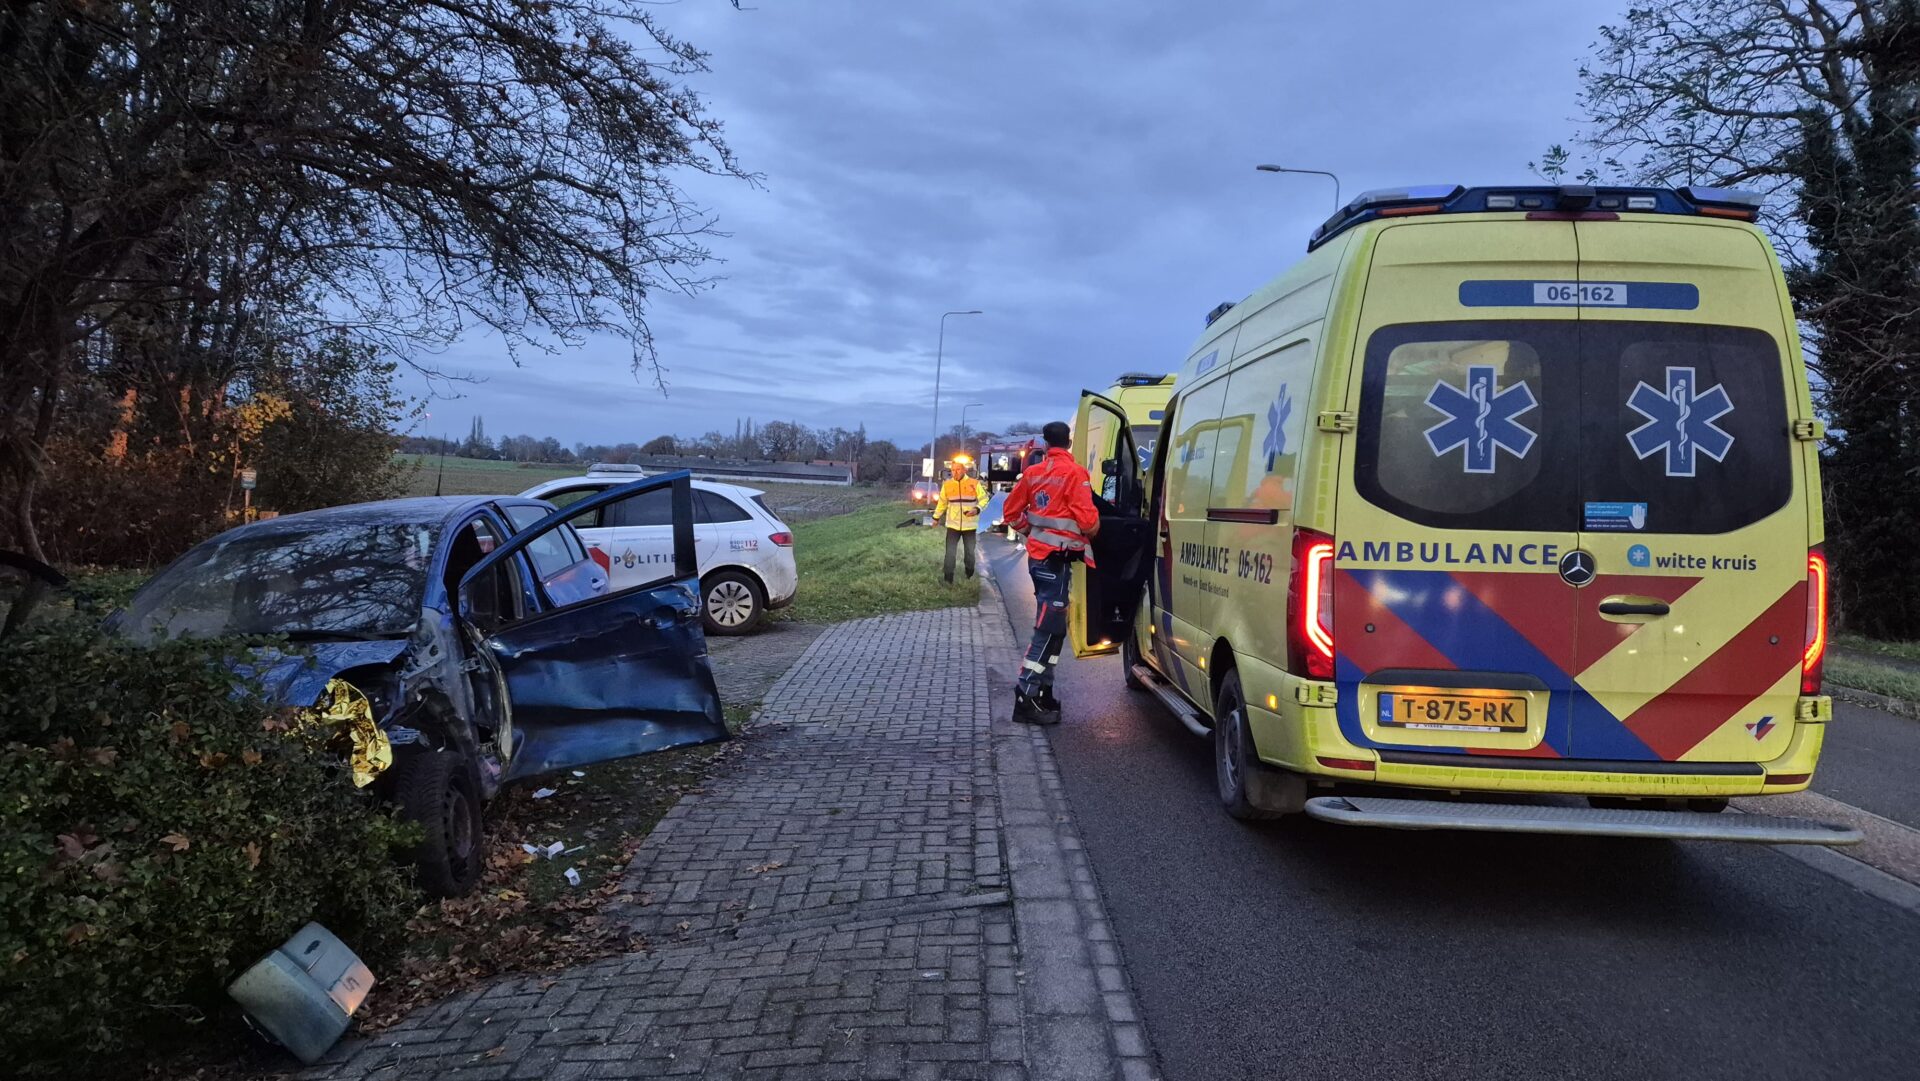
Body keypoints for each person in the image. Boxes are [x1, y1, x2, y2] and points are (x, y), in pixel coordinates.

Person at [1001, 421, 1101, 725]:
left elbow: (1010, 513)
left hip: (1039, 560)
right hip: (1056, 562)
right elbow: (1089, 522)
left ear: (1045, 444)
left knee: (1056, 629)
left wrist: (1032, 533)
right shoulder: (1075, 474)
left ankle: (1044, 691)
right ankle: (1025, 695)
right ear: (1068, 443)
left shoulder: (1032, 474)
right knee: (1048, 629)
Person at [933, 455, 985, 584]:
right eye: (953, 470)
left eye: (957, 469)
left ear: (964, 470)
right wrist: (936, 517)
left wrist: (977, 509)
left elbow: (984, 499)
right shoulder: (948, 485)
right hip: (953, 525)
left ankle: (969, 573)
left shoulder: (974, 483)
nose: (954, 472)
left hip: (970, 525)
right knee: (950, 552)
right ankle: (948, 578)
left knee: (969, 553)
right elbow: (942, 503)